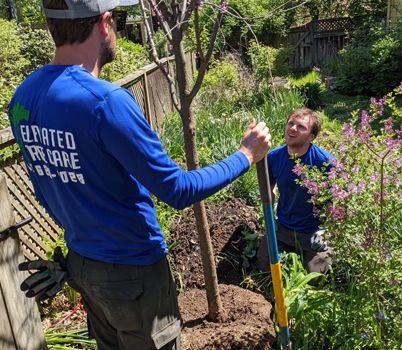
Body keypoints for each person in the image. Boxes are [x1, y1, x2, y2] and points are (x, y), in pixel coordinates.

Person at [8, 0, 271, 349]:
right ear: (104, 23)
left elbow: (45, 188)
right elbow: (178, 190)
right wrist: (246, 155)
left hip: (83, 265)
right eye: (117, 19)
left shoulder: (23, 97)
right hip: (133, 272)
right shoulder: (104, 101)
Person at [256, 108, 333, 276]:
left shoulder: (325, 162)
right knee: (263, 269)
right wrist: (269, 222)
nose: (293, 129)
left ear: (311, 137)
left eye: (301, 127)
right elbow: (268, 190)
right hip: (284, 228)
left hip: (314, 232)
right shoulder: (274, 157)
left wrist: (329, 230)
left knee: (317, 277)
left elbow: (341, 199)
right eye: (291, 123)